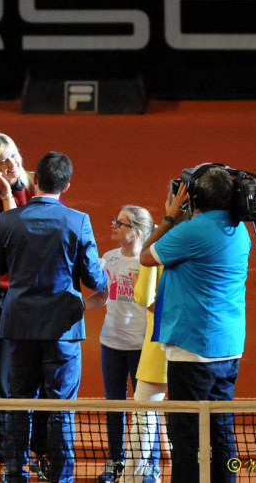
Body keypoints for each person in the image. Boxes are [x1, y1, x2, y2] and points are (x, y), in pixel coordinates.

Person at [0, 151, 108, 483]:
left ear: (35, 180)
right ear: (67, 184)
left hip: (18, 326)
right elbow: (94, 280)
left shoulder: (8, 220)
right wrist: (107, 279)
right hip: (63, 330)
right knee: (61, 408)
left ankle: (14, 473)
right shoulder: (78, 220)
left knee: (18, 403)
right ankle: (61, 478)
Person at [140, 165, 251, 483]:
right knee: (222, 434)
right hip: (228, 351)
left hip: (192, 353)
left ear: (193, 197)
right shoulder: (239, 230)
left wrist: (172, 215)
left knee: (186, 439)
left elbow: (146, 255)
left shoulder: (191, 230)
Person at [0, 132, 50, 479]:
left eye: (15, 155)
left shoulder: (39, 185)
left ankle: (42, 451)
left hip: (41, 298)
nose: (13, 164)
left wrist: (17, 188)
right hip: (4, 300)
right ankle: (9, 458)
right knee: (2, 380)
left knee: (45, 381)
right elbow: (14, 233)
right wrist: (6, 194)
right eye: (3, 160)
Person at [121, 183, 188, 483]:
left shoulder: (158, 242)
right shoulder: (205, 240)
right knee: (196, 421)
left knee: (144, 419)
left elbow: (144, 297)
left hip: (158, 345)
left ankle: (133, 479)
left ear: (174, 205)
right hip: (195, 345)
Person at [83, 206, 155, 483]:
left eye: (120, 223)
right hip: (111, 344)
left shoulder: (149, 263)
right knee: (114, 405)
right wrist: (79, 306)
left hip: (141, 347)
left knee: (146, 409)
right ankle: (115, 460)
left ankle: (150, 463)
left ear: (136, 232)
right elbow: (101, 297)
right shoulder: (109, 259)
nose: (113, 225)